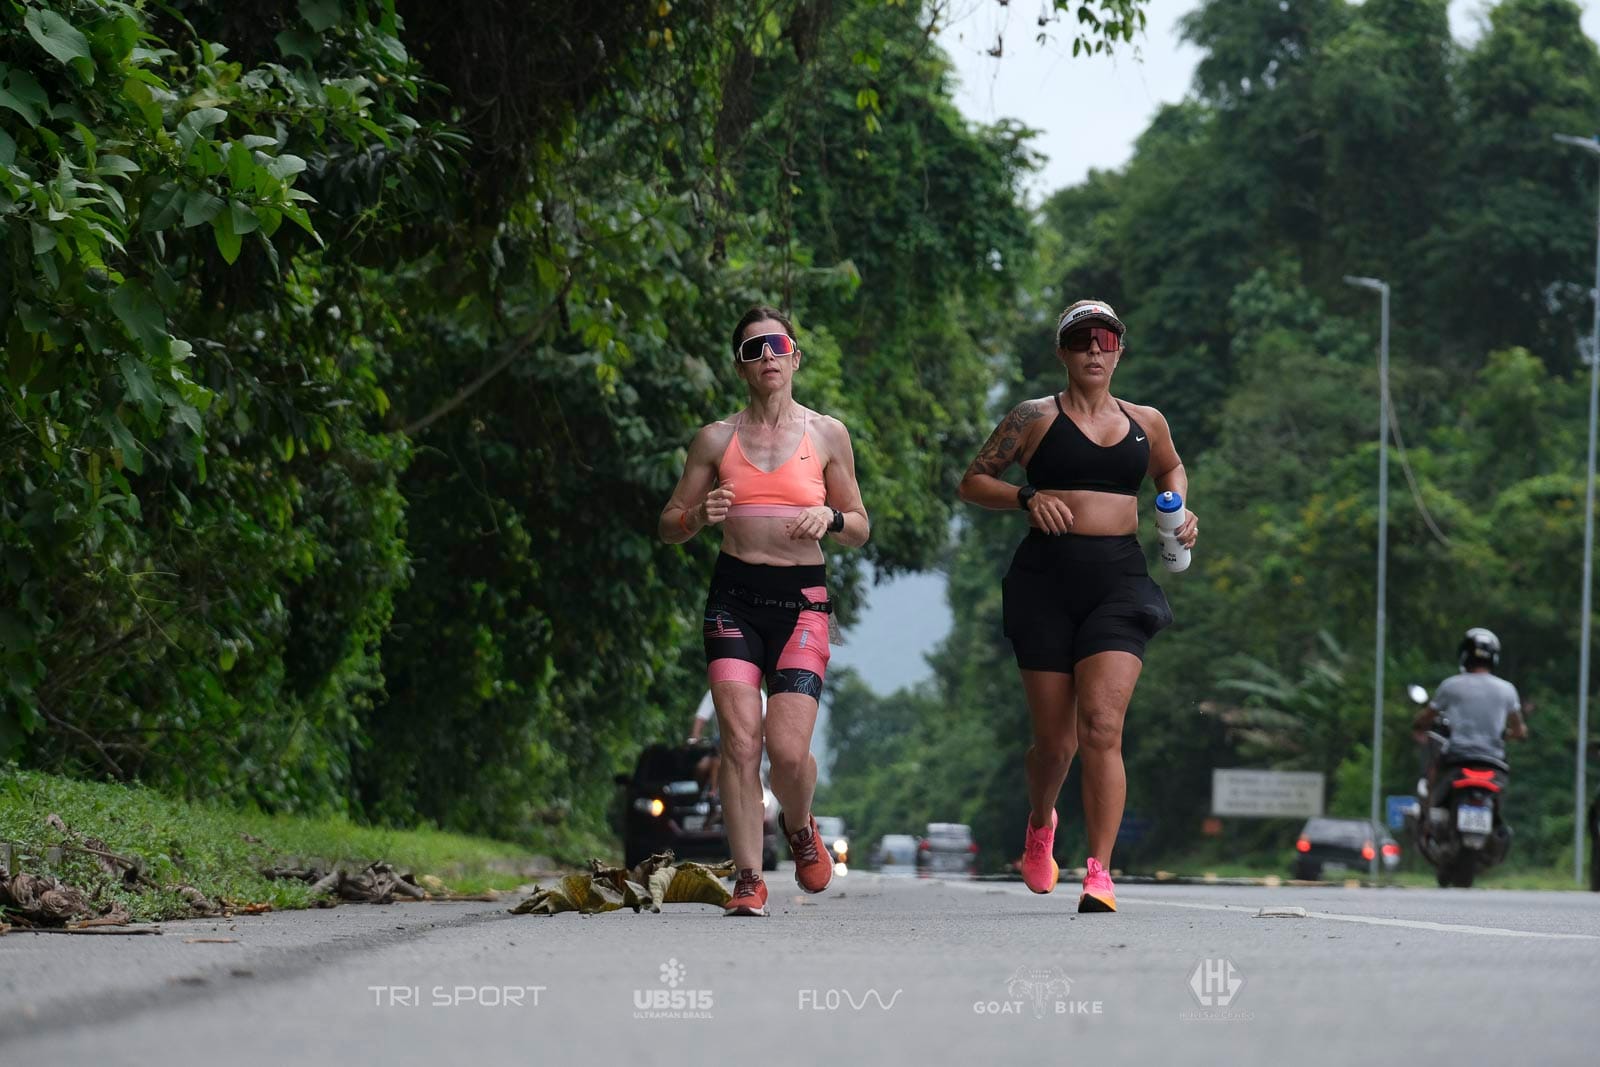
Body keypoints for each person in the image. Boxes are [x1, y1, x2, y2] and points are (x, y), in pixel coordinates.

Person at [956, 299, 1197, 913]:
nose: (1095, 349)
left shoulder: (1147, 421)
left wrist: (1179, 511)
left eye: (1106, 340)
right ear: (1062, 351)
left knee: (1102, 727)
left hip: (1118, 582)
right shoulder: (1033, 417)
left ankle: (1100, 872)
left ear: (1120, 351)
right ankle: (1042, 825)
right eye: (1081, 340)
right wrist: (1026, 497)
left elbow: (1170, 470)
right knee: (1056, 743)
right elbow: (974, 480)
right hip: (1045, 582)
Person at [659, 305, 870, 917]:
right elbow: (669, 524)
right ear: (741, 368)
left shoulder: (827, 434)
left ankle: (800, 828)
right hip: (734, 602)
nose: (767, 357)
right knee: (739, 742)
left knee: (786, 750)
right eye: (754, 350)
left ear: (795, 356)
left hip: (802, 602)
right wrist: (698, 517)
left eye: (777, 345)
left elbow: (859, 526)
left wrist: (829, 517)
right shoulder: (715, 439)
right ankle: (749, 877)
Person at [1412, 627, 1528, 800]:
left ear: (1464, 655)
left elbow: (1426, 718)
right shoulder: (1507, 690)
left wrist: (1419, 725)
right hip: (1493, 762)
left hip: (1457, 758)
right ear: (1494, 658)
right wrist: (1507, 735)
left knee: (1432, 779)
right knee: (1499, 804)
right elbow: (1520, 731)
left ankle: (1427, 817)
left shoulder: (1451, 686)